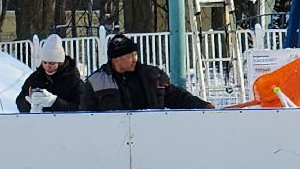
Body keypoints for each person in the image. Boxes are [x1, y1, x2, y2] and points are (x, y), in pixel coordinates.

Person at [81, 33, 214, 111]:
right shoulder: (96, 82)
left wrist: (202, 105)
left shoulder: (153, 76)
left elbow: (175, 96)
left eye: (135, 54)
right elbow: (87, 116)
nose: (135, 59)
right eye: (129, 56)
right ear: (116, 59)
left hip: (152, 137)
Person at [16, 34, 83, 113]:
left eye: (52, 63)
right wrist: (29, 103)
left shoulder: (74, 81)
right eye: (45, 62)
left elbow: (82, 108)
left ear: (60, 63)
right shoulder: (35, 78)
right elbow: (19, 102)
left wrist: (55, 102)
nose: (47, 66)